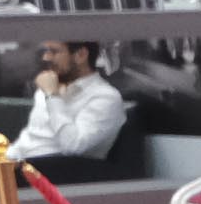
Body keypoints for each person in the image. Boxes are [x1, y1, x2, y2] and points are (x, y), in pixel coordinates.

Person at [12, 40, 128, 171]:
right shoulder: (45, 90)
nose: (46, 57)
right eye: (47, 51)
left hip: (61, 173)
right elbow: (28, 142)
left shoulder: (105, 98)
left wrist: (53, 97)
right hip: (22, 168)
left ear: (81, 55)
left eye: (54, 52)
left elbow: (73, 147)